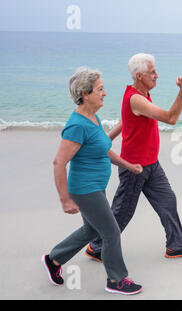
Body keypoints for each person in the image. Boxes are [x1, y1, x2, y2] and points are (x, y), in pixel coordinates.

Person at [85, 53, 182, 262]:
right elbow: (171, 118)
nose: (157, 75)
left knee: (168, 201)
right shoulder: (136, 98)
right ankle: (96, 247)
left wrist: (105, 140)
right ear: (139, 76)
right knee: (122, 212)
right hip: (134, 167)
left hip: (151, 163)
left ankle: (175, 246)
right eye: (152, 72)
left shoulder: (140, 94)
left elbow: (125, 120)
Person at [42, 67, 143, 295]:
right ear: (85, 93)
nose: (105, 93)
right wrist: (65, 199)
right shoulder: (77, 125)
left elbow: (102, 148)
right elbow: (59, 162)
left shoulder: (92, 118)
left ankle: (53, 259)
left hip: (95, 187)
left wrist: (127, 165)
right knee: (111, 232)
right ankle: (116, 280)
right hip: (85, 190)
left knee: (91, 230)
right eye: (100, 89)